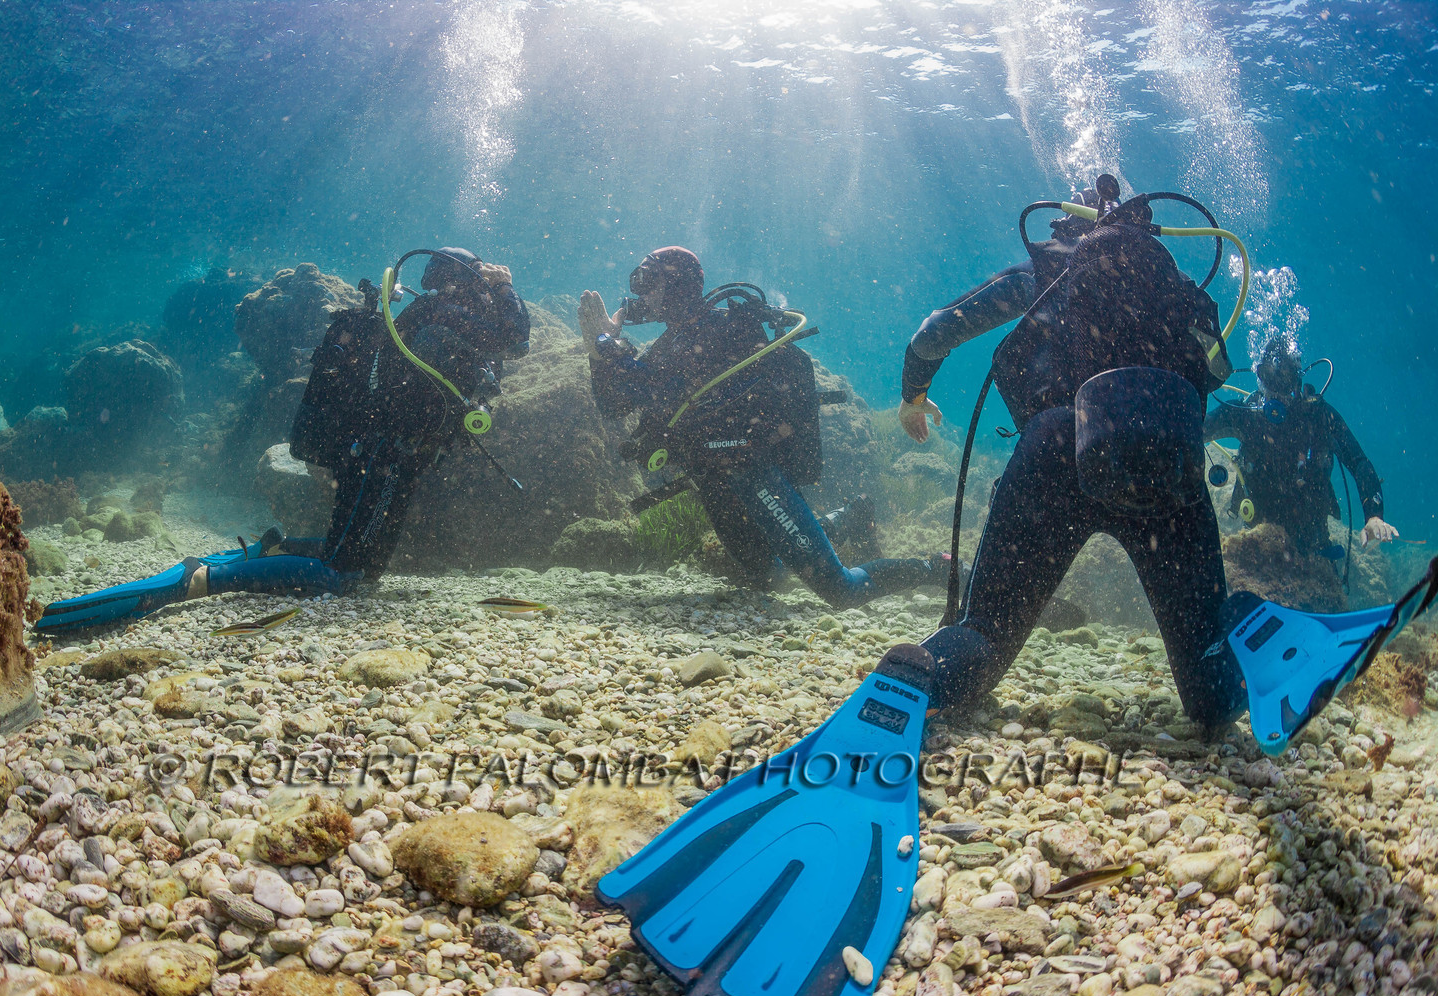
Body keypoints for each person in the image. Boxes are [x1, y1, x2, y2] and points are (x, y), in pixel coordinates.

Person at [896, 175, 1246, 735]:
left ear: (1069, 220)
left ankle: (924, 676)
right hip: (1165, 464)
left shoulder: (1048, 272)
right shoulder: (1183, 291)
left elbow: (933, 333)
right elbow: (1214, 374)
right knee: (1209, 693)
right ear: (1148, 227)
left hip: (1056, 451)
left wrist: (913, 393)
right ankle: (1245, 641)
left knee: (985, 630)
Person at [35, 247, 529, 632]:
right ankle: (200, 579)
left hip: (401, 455)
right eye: (478, 278)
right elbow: (517, 335)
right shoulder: (441, 314)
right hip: (380, 452)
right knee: (340, 572)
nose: (487, 286)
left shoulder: (448, 320)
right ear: (459, 280)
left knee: (365, 571)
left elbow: (500, 348)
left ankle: (263, 552)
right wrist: (505, 287)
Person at [578, 246, 951, 609]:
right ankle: (850, 518)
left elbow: (656, 388)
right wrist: (597, 353)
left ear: (675, 286)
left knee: (841, 589)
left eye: (648, 281)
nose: (639, 294)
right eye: (638, 282)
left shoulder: (717, 330)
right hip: (710, 478)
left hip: (750, 471)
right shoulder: (671, 342)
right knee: (768, 576)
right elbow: (617, 404)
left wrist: (606, 342)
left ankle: (937, 568)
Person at [1204, 336, 1395, 559]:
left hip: (1314, 547)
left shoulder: (1319, 417)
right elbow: (1196, 430)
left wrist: (1374, 516)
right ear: (1260, 377)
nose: (1275, 391)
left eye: (1284, 377)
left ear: (1297, 380)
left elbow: (1358, 461)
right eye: (1267, 377)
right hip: (1258, 544)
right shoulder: (1245, 416)